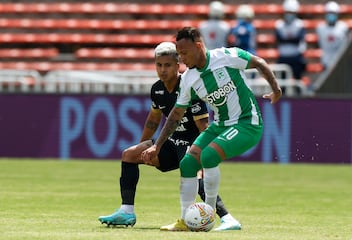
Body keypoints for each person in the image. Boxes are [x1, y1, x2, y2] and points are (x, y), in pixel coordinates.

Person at [141, 27, 282, 231]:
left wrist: (276, 90)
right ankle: (185, 220)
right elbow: (175, 116)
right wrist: (158, 146)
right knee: (188, 163)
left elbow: (259, 62)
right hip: (220, 126)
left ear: (198, 46)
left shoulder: (227, 56)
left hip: (246, 123)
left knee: (208, 156)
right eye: (179, 53)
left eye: (184, 53)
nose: (182, 58)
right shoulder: (189, 79)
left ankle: (219, 218)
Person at [98, 42, 241, 231]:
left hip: (191, 144)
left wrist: (204, 156)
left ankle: (228, 218)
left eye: (168, 65)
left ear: (178, 65)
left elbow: (203, 127)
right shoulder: (157, 89)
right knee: (129, 155)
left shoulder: (191, 87)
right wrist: (143, 147)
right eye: (159, 65)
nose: (163, 70)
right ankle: (127, 212)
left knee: (195, 178)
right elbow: (153, 121)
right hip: (170, 144)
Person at [275, 0, 307, 80]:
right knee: (282, 83)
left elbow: (298, 40)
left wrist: (286, 39)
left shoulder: (300, 24)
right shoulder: (279, 24)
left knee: (298, 80)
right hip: (283, 56)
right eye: (288, 12)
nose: (289, 15)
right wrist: (292, 39)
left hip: (296, 56)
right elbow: (279, 39)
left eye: (291, 12)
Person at [316, 1, 349, 70]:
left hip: (340, 61)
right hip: (326, 61)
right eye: (329, 13)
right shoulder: (320, 28)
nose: (331, 15)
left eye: (333, 13)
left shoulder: (343, 27)